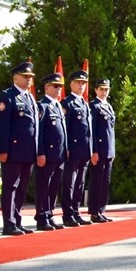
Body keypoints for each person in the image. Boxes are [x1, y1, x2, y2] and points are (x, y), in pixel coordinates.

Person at [0, 61, 38, 236]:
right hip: (13, 151)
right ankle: (9, 223)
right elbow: (3, 126)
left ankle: (17, 220)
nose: (29, 80)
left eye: (30, 77)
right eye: (25, 76)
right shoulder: (8, 96)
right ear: (16, 78)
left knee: (22, 187)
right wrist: (3, 150)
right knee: (10, 187)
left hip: (28, 151)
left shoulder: (30, 97)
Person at [35, 73, 69, 231]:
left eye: (60, 86)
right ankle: (42, 217)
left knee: (54, 186)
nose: (58, 89)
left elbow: (63, 131)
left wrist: (66, 149)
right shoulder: (42, 106)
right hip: (47, 154)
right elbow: (39, 133)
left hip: (59, 154)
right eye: (55, 86)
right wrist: (40, 152)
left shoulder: (58, 106)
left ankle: (49, 214)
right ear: (46, 87)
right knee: (44, 186)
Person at [59, 70, 92, 228]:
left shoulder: (84, 103)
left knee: (79, 183)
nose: (81, 86)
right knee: (69, 183)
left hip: (84, 150)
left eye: (83, 83)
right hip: (72, 150)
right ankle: (68, 214)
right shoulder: (67, 103)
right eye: (78, 82)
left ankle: (76, 212)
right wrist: (66, 148)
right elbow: (64, 129)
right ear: (71, 84)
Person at [88, 78, 116, 222]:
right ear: (96, 90)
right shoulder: (94, 106)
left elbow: (111, 130)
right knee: (97, 181)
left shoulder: (108, 106)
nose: (104, 92)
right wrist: (94, 151)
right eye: (101, 89)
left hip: (108, 150)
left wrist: (112, 150)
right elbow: (92, 130)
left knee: (105, 181)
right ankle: (94, 211)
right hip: (99, 150)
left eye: (106, 89)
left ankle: (101, 210)